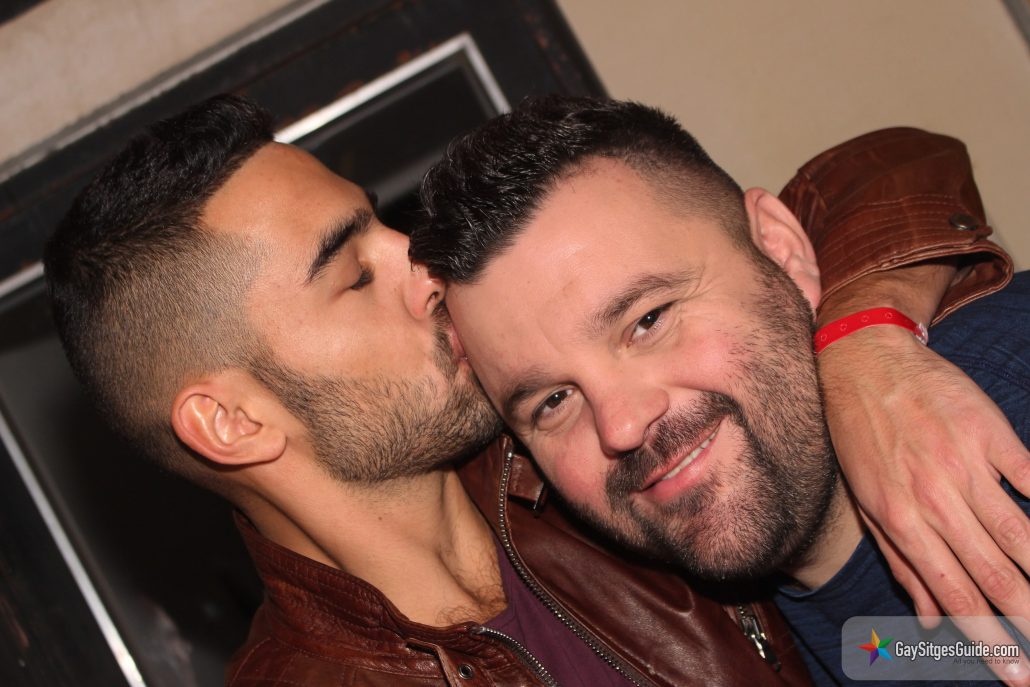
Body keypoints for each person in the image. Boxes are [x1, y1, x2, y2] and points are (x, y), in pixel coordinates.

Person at [44, 93, 1012, 686]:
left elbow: (873, 173)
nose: (423, 265)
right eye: (352, 271)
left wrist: (861, 343)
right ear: (232, 420)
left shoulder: (569, 462)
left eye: (382, 224)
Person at [411, 95, 1029, 685]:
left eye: (648, 320)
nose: (620, 425)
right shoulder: (752, 629)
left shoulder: (1007, 393)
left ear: (781, 251)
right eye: (553, 401)